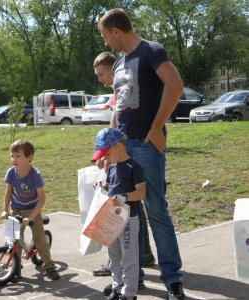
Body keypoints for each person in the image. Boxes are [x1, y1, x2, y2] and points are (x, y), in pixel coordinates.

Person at [98, 8, 185, 300]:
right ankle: (131, 279)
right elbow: (117, 106)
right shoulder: (120, 63)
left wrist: (157, 128)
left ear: (116, 31)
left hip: (146, 146)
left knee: (157, 211)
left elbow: (175, 85)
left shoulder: (152, 51)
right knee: (126, 216)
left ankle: (172, 279)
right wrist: (106, 149)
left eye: (106, 38)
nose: (106, 45)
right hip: (120, 149)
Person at [92, 52, 155, 283]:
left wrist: (112, 149)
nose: (100, 79)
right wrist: (106, 151)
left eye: (101, 74)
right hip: (119, 145)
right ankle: (137, 260)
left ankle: (133, 271)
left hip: (135, 144)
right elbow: (114, 118)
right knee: (130, 208)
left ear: (112, 69)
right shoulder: (116, 90)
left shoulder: (125, 81)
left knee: (134, 207)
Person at [91, 127, 146, 300]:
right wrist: (102, 186)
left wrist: (125, 197)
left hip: (128, 219)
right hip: (112, 219)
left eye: (106, 154)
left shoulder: (134, 167)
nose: (105, 158)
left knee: (129, 257)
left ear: (118, 146)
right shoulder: (113, 167)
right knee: (114, 256)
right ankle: (117, 288)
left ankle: (129, 294)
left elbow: (141, 192)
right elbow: (111, 186)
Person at [1, 138, 60, 282]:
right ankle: (16, 268)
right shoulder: (11, 173)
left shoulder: (35, 175)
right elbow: (8, 192)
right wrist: (4, 210)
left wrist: (32, 216)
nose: (14, 159)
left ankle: (49, 266)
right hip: (16, 209)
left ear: (29, 157)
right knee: (15, 239)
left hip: (32, 210)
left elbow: (42, 199)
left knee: (40, 239)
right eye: (12, 156)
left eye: (18, 156)